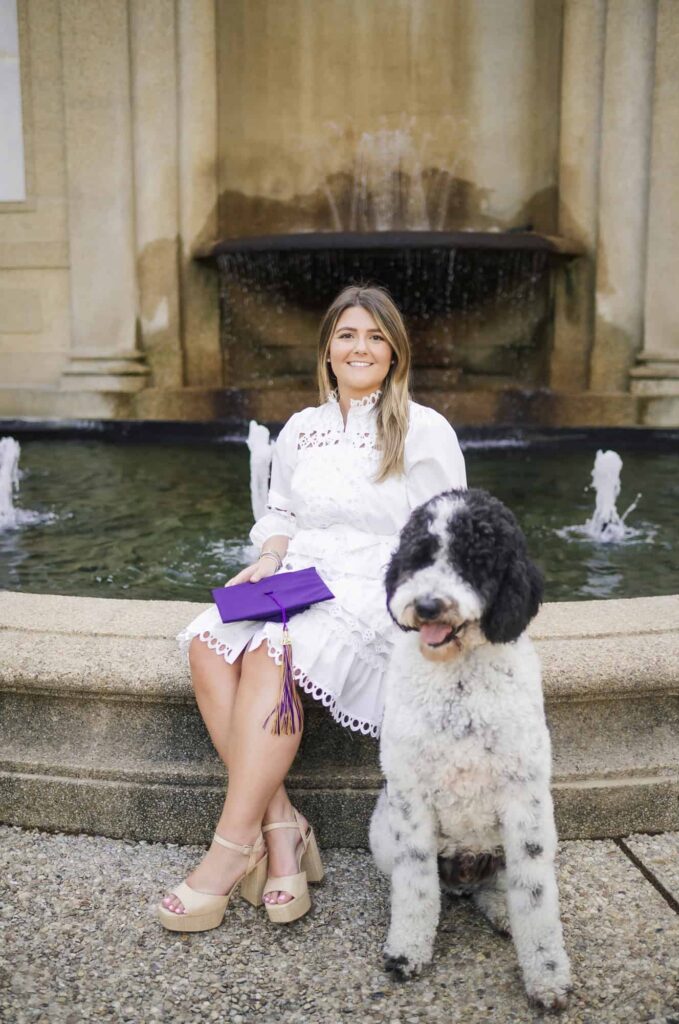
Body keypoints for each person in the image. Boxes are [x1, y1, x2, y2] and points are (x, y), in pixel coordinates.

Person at [158, 284, 467, 930]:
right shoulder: (301, 429)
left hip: (377, 585)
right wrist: (270, 557)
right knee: (207, 642)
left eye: (375, 337)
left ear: (394, 352)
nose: (361, 347)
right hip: (300, 574)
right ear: (327, 350)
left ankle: (227, 853)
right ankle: (282, 828)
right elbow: (281, 513)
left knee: (276, 650)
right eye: (348, 335)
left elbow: (447, 532)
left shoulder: (423, 428)